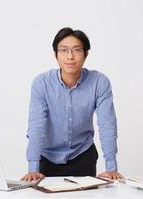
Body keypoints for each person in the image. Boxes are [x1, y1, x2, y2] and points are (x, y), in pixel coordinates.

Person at [21, 27, 123, 181]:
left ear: (86, 54)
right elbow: (36, 126)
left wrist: (111, 168)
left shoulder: (99, 82)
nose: (70, 56)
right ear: (55, 55)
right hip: (48, 158)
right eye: (63, 50)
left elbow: (107, 124)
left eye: (76, 50)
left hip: (82, 155)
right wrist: (33, 168)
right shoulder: (41, 83)